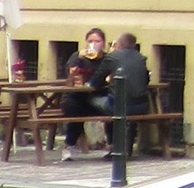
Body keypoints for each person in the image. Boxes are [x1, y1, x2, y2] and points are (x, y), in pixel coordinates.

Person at [61, 26, 110, 159]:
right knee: (75, 109)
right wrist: (79, 59)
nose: (93, 44)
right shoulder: (78, 56)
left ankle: (113, 146)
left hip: (98, 96)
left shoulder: (107, 59)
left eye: (97, 41)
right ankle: (69, 146)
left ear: (103, 43)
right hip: (79, 96)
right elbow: (70, 74)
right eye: (90, 41)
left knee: (112, 107)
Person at [108, 31, 153, 153]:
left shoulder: (113, 57)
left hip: (121, 107)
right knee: (124, 108)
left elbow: (96, 81)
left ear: (119, 45)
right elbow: (146, 80)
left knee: (105, 107)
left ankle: (113, 146)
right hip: (142, 107)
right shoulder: (141, 57)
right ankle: (126, 149)